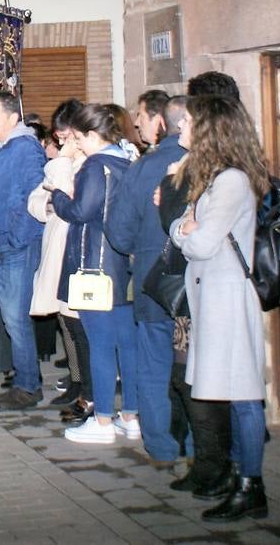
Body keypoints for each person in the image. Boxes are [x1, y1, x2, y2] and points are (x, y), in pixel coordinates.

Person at [169, 96, 271, 523]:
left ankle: (252, 486)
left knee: (244, 397)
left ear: (210, 129)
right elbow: (181, 226)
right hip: (211, 296)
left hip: (228, 298)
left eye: (188, 122)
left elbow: (203, 242)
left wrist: (187, 232)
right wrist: (185, 230)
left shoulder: (231, 181)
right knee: (224, 394)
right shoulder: (212, 177)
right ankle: (233, 474)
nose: (180, 127)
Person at [105, 95, 189, 464]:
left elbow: (119, 228)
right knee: (196, 364)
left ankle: (161, 444)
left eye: (140, 116)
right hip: (199, 281)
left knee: (153, 362)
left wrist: (137, 249)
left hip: (155, 278)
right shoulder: (214, 164)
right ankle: (204, 448)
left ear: (160, 121)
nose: (136, 123)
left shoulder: (148, 167)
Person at [51, 104, 135, 443]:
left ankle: (101, 420)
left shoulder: (96, 165)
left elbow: (80, 211)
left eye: (79, 138)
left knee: (99, 345)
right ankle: (130, 414)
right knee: (127, 345)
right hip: (124, 267)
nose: (78, 145)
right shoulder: (128, 162)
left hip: (94, 267)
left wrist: (59, 195)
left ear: (91, 135)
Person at [0, 92, 48, 409]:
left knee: (17, 320)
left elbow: (37, 196)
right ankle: (27, 378)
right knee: (11, 320)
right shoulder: (0, 150)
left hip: (13, 247)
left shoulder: (25, 149)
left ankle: (28, 386)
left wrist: (16, 238)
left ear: (12, 118)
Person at [29, 101, 92, 422]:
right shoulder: (63, 162)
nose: (60, 141)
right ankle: (77, 382)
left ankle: (85, 387)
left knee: (78, 325)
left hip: (75, 250)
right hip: (56, 243)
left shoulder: (83, 162)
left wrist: (62, 164)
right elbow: (39, 197)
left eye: (64, 134)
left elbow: (66, 192)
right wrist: (48, 205)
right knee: (66, 322)